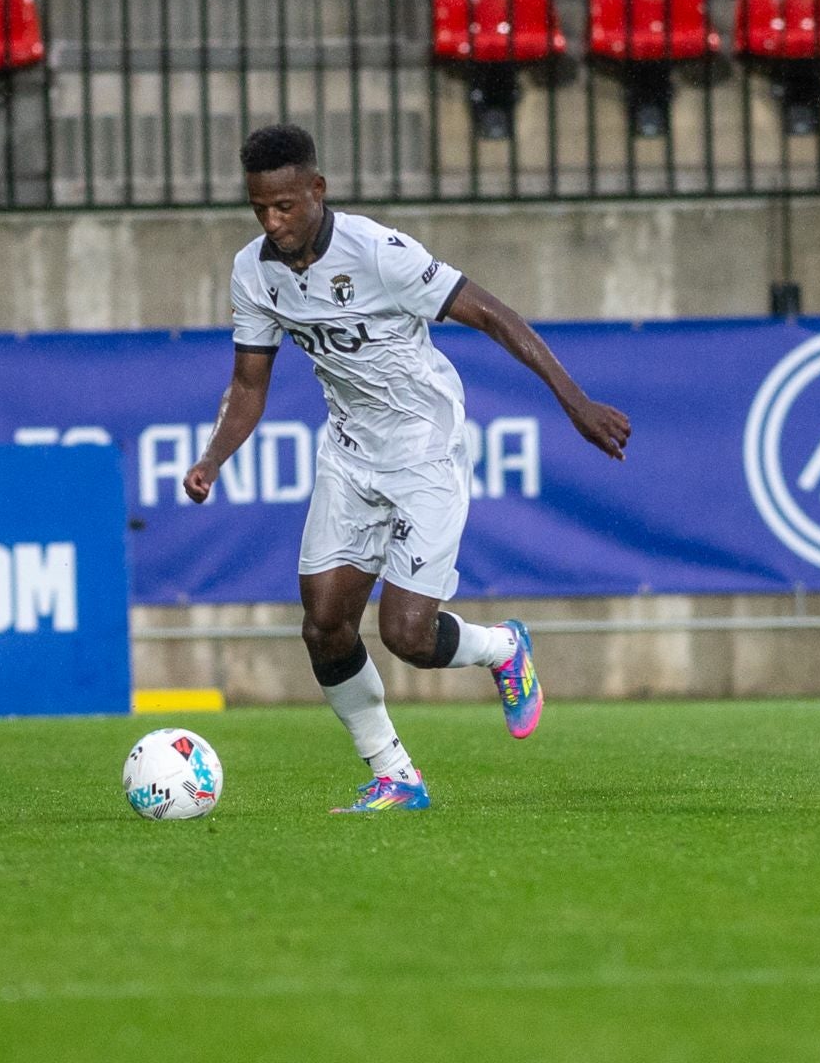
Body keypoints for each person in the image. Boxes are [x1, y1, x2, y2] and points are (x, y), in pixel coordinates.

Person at [185, 124, 632, 813]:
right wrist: (213, 459)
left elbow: (494, 315)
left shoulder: (379, 252)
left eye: (285, 207)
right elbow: (248, 386)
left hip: (426, 448)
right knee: (323, 625)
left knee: (406, 635)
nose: (273, 224)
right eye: (260, 210)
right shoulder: (254, 271)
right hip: (349, 453)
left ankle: (501, 648)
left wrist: (574, 404)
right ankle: (395, 774)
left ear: (316, 190)